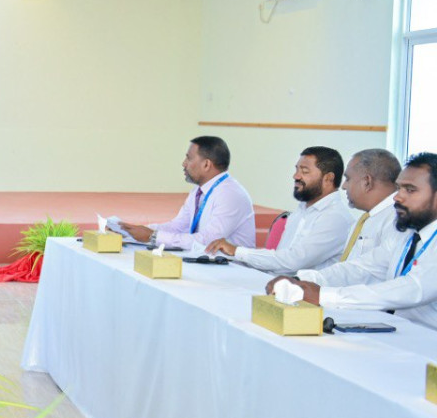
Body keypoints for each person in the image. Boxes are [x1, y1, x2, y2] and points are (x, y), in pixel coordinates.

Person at [267, 152, 437, 332]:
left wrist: (323, 295)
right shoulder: (406, 234)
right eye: (399, 188)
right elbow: (362, 267)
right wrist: (302, 280)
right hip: (402, 333)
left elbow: (411, 289)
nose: (397, 196)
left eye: (410, 190)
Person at [206, 147, 353, 275]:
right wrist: (231, 256)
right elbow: (278, 261)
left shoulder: (335, 217)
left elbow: (292, 262)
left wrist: (238, 252)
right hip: (277, 284)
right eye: (296, 169)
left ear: (328, 178)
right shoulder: (302, 210)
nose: (296, 176)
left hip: (305, 300)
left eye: (304, 171)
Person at [118, 136, 255, 250]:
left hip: (233, 271)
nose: (184, 164)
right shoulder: (198, 191)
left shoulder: (230, 195)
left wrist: (153, 236)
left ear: (206, 164)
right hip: (206, 262)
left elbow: (207, 241)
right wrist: (132, 232)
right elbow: (178, 226)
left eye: (189, 158)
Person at [336, 148, 401, 263]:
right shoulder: (366, 219)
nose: (344, 186)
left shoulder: (396, 221)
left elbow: (373, 270)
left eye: (348, 179)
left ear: (367, 182)